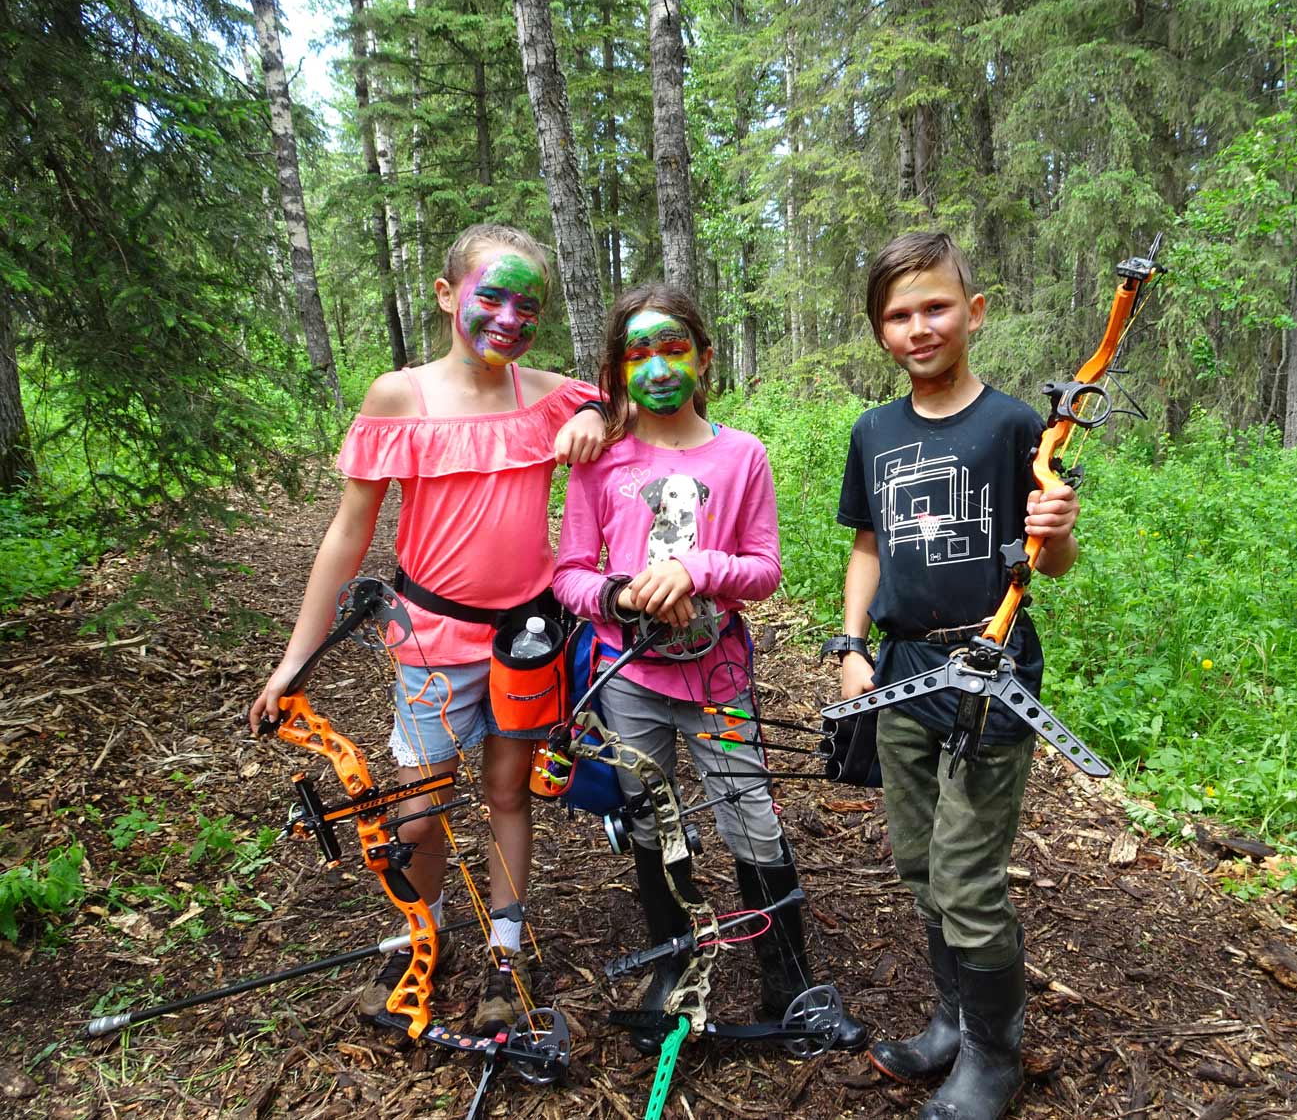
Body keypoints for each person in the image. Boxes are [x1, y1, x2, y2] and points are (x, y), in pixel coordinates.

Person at [248, 224, 607, 1036]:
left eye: (529, 303)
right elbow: (348, 534)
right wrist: (294, 660)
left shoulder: (548, 394)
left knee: (509, 791)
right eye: (491, 295)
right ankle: (425, 929)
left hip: (525, 643)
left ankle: (507, 948)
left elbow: (615, 402)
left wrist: (593, 413)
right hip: (430, 645)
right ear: (447, 294)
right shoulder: (399, 397)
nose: (510, 317)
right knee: (420, 803)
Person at [552, 284, 866, 1055]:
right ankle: (673, 963)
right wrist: (622, 594)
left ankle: (787, 977)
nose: (657, 366)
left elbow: (763, 570)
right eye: (637, 353)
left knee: (751, 816)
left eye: (672, 348)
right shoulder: (602, 459)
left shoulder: (741, 453)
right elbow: (568, 574)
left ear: (703, 356)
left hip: (717, 677)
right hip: (628, 683)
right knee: (651, 817)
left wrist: (696, 568)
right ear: (618, 369)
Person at [833, 231, 1080, 1120]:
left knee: (968, 873)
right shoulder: (873, 430)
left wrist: (1056, 523)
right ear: (880, 332)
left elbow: (1049, 568)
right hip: (899, 666)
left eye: (934, 307)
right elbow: (868, 545)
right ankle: (950, 1019)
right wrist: (852, 644)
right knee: (917, 860)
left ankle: (991, 1058)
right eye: (898, 315)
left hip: (991, 668)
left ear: (973, 313)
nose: (918, 326)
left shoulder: (1016, 424)